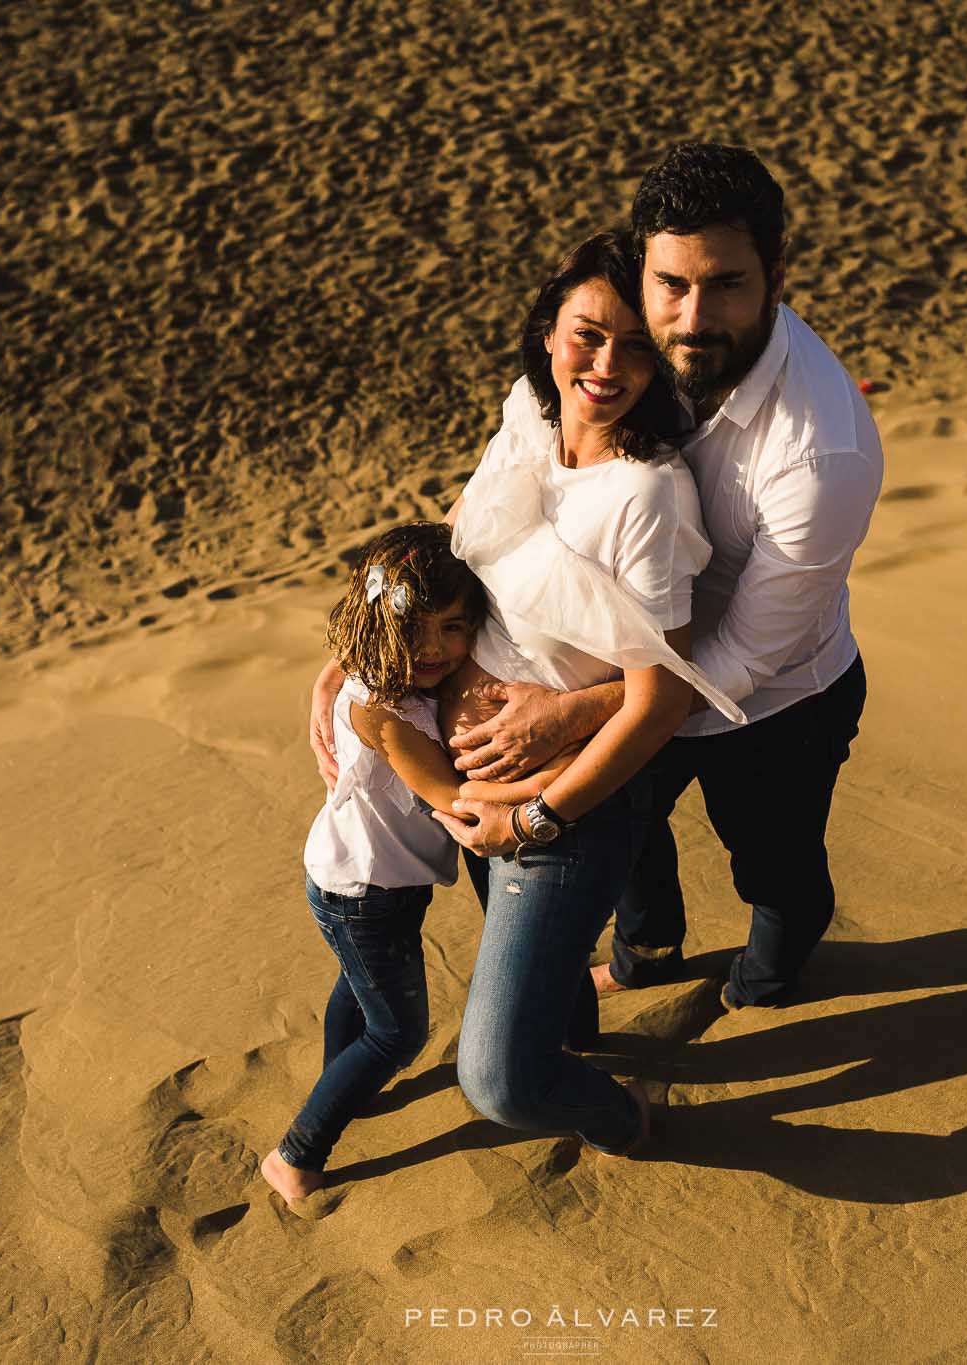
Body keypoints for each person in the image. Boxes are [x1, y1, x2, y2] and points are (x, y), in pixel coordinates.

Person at [308, 230, 742, 1156]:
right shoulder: (526, 422)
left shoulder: (649, 499)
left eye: (635, 344)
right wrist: (350, 659)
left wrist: (535, 817)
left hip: (564, 809)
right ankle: (577, 1037)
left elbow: (660, 700)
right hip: (475, 791)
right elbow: (445, 546)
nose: (608, 363)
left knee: (499, 1077)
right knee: (551, 1001)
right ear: (547, 334)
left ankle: (628, 1118)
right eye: (588, 334)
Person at [450, 142, 883, 1010]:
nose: (692, 319)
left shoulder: (821, 453)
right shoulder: (619, 351)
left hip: (772, 705)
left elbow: (735, 663)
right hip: (635, 676)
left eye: (727, 284)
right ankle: (650, 952)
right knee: (631, 840)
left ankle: (770, 972)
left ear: (777, 276)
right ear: (641, 268)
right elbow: (512, 477)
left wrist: (582, 711)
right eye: (672, 285)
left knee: (774, 864)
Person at [261, 523, 490, 1202]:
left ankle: (346, 1081)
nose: (436, 649)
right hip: (365, 892)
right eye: (415, 629)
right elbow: (450, 797)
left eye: (454, 627)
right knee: (398, 1030)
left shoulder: (384, 679)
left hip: (359, 879)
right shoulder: (380, 710)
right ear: (377, 623)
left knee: (356, 988)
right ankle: (297, 1153)